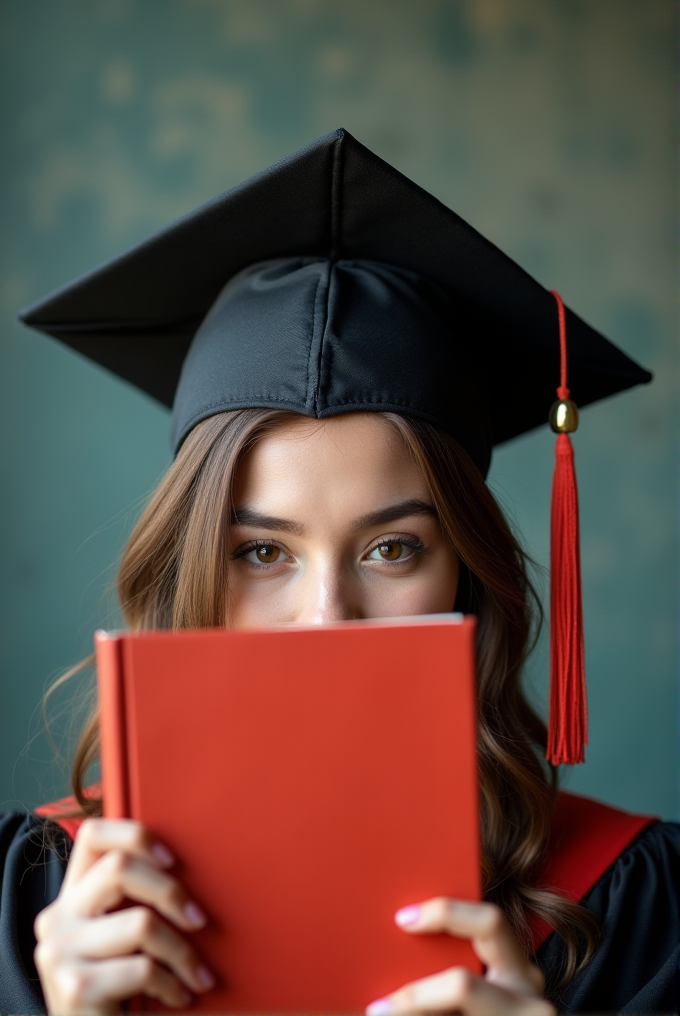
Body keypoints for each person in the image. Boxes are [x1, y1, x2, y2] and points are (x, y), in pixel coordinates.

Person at [2, 129, 678, 1015]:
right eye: (262, 552)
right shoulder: (43, 906)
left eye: (392, 548)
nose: (328, 617)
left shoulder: (632, 903)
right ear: (191, 565)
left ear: (465, 575)